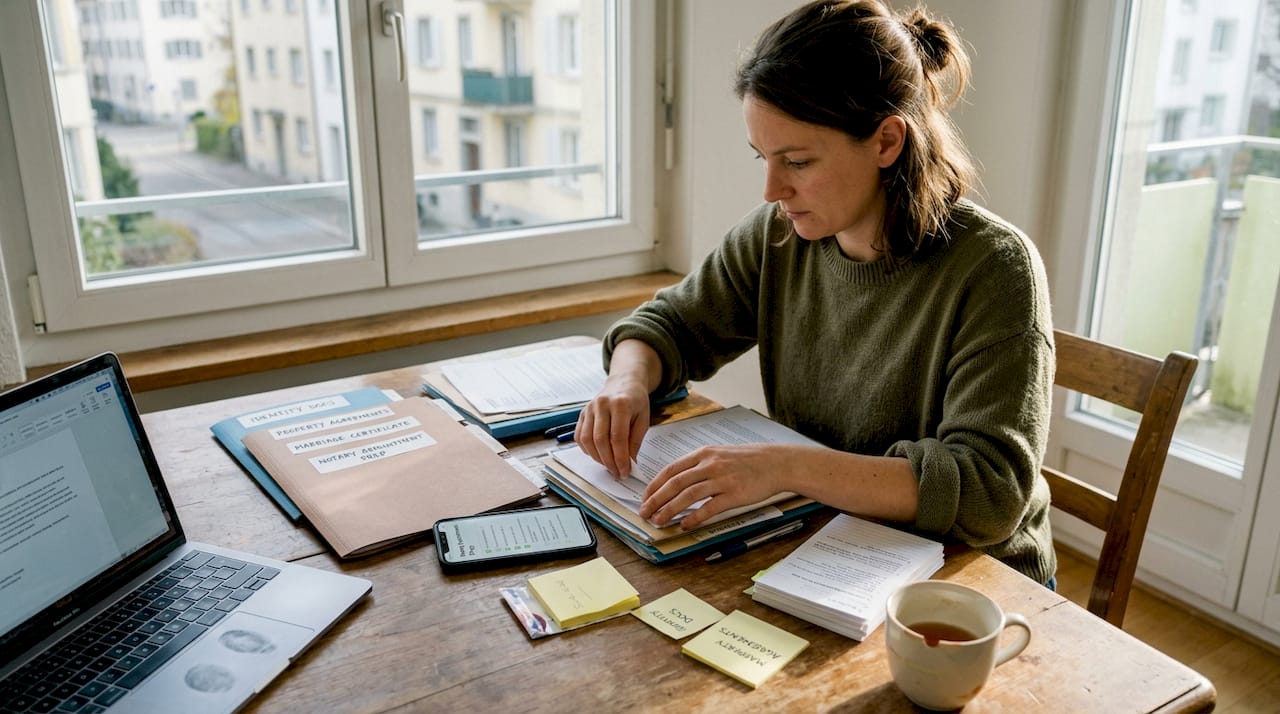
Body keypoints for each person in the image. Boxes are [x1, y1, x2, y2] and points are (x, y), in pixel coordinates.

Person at [575, 0, 1056, 586]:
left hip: (970, 583)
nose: (773, 187)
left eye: (797, 161)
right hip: (829, 539)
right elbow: (669, 325)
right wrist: (626, 381)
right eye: (764, 158)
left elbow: (987, 491)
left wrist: (785, 467)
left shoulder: (995, 269)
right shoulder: (780, 235)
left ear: (885, 142)